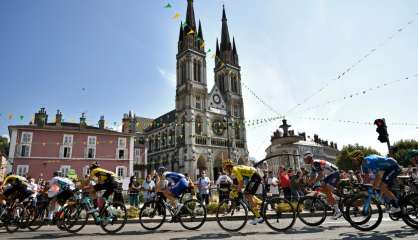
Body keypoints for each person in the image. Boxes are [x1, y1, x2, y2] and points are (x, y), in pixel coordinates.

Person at [223, 159, 264, 225]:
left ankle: (258, 216)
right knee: (247, 193)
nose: (226, 171)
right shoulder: (236, 168)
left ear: (228, 167)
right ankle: (261, 203)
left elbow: (241, 182)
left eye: (226, 169)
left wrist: (237, 191)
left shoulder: (234, 170)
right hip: (253, 177)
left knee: (248, 195)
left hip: (255, 177)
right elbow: (242, 184)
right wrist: (237, 188)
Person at [303, 151, 342, 219]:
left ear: (309, 158)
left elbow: (320, 175)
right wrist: (307, 184)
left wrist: (314, 182)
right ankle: (335, 199)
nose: (304, 161)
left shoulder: (316, 163)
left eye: (305, 159)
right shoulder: (313, 165)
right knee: (324, 188)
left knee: (326, 189)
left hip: (334, 173)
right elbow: (312, 177)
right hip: (330, 175)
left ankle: (338, 210)